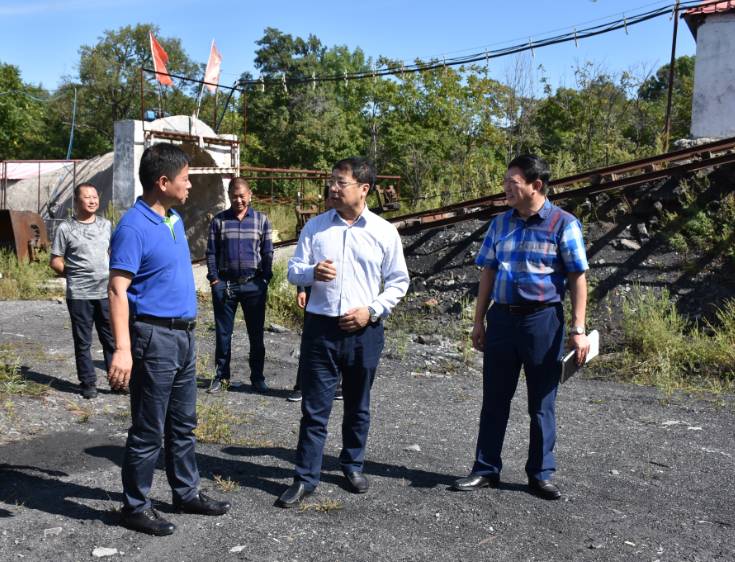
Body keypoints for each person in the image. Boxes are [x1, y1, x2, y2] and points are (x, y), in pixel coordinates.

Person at [107, 143, 230, 536]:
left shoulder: (173, 219)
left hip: (184, 337)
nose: (190, 184)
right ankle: (134, 506)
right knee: (148, 428)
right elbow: (116, 290)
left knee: (183, 424)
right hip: (153, 337)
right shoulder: (133, 227)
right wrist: (123, 349)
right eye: (184, 178)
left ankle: (185, 492)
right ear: (163, 182)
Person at [452, 154, 590, 501]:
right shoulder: (500, 223)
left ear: (536, 186)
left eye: (512, 183)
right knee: (494, 398)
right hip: (502, 319)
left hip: (542, 321)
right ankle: (485, 469)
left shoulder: (563, 223)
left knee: (541, 402)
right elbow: (487, 271)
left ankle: (540, 474)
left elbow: (577, 277)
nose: (505, 190)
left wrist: (578, 327)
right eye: (505, 183)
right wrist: (478, 320)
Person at [276, 157, 409, 508]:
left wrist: (371, 311)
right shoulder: (316, 228)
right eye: (332, 181)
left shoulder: (383, 232)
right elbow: (293, 270)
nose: (332, 188)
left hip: (364, 331)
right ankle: (305, 478)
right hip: (321, 329)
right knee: (314, 408)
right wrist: (311, 273)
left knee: (357, 405)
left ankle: (352, 465)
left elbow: (398, 282)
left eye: (341, 182)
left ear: (364, 189)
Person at [205, 178, 273, 394]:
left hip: (254, 285)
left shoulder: (261, 221)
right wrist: (215, 280)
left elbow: (267, 252)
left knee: (256, 335)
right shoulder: (219, 221)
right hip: (226, 286)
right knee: (223, 335)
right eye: (234, 196)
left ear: (250, 194)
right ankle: (221, 377)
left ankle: (257, 377)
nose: (239, 200)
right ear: (229, 195)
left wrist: (264, 279)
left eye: (242, 195)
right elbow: (211, 253)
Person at [50, 182, 115, 399]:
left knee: (111, 339)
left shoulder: (106, 225)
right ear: (76, 201)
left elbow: (113, 253)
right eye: (87, 197)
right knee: (83, 340)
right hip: (79, 294)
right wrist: (74, 273)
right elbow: (56, 261)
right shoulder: (65, 228)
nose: (92, 200)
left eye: (95, 196)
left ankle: (118, 381)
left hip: (106, 292)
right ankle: (88, 383)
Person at [286, 285, 343, 403]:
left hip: (340, 296)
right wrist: (301, 290)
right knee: (310, 341)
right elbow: (303, 266)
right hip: (314, 295)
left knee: (339, 339)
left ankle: (337, 385)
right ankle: (301, 387)